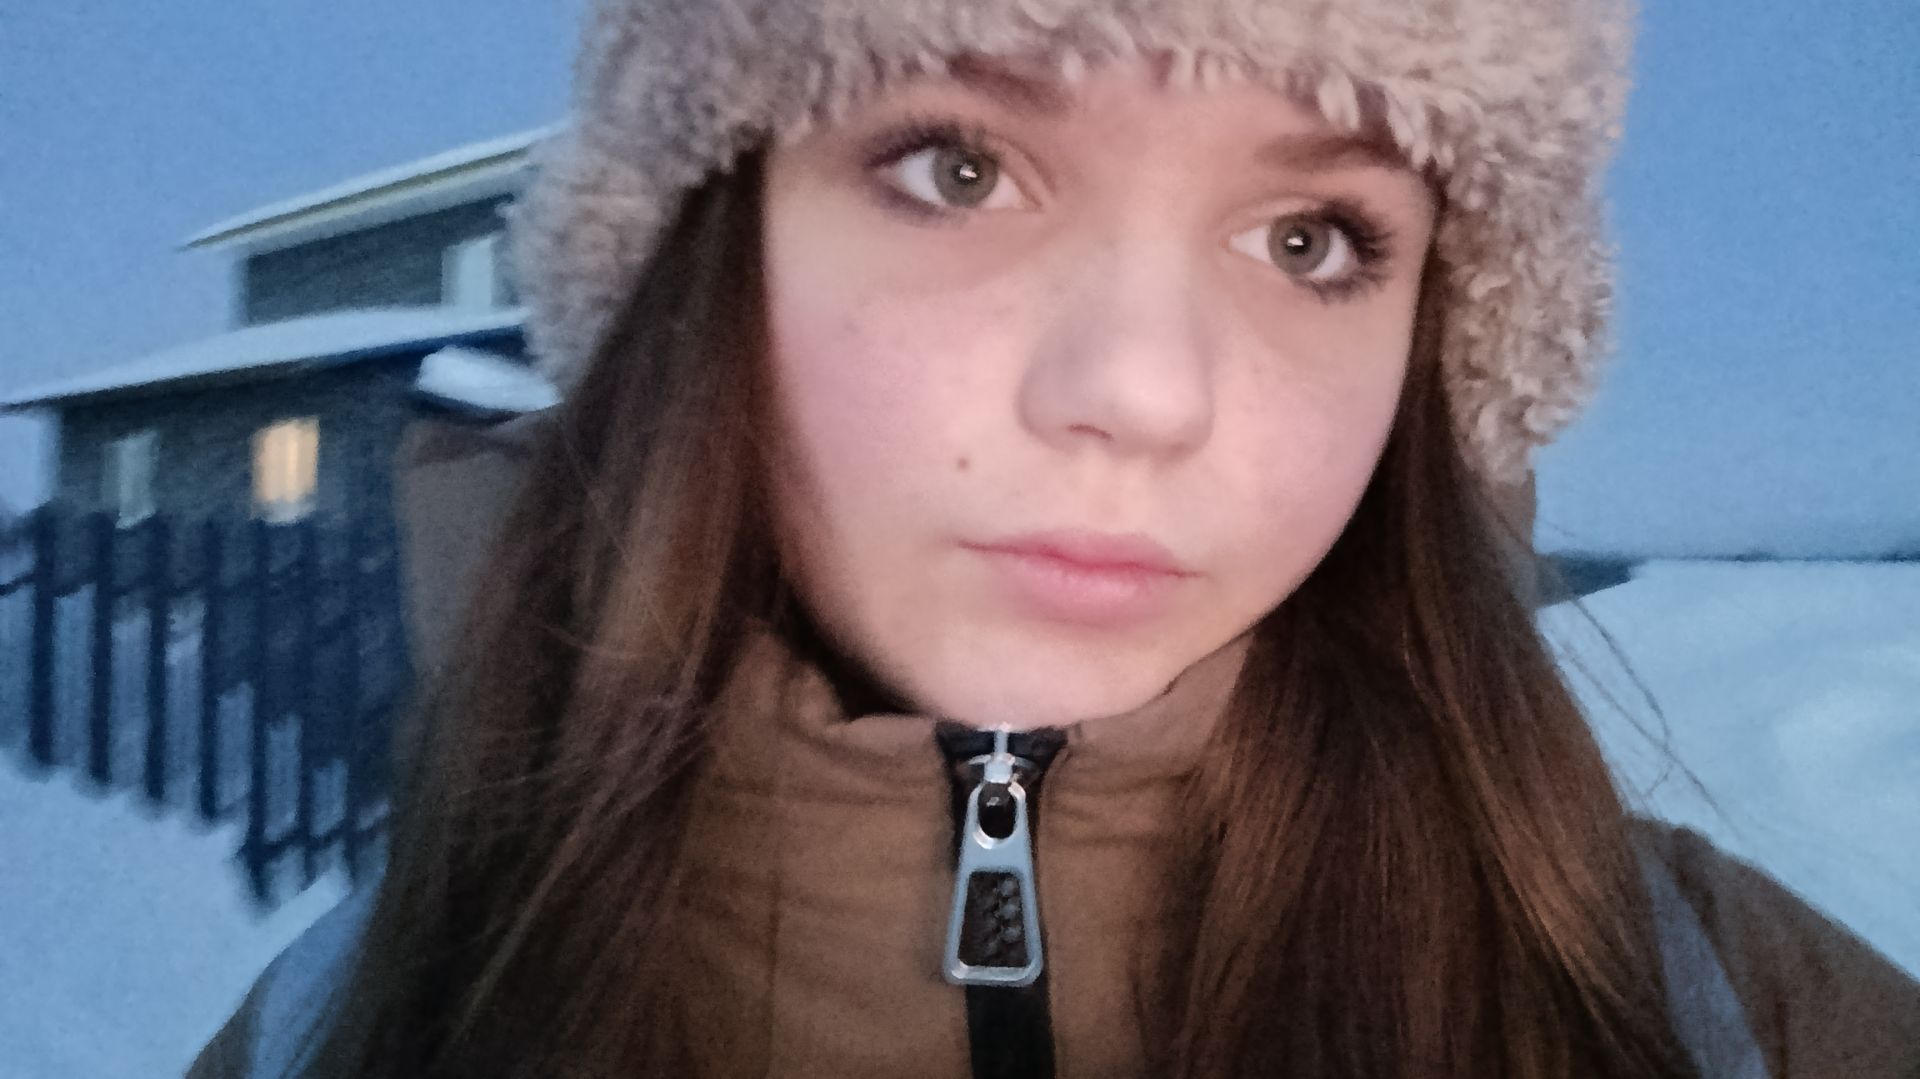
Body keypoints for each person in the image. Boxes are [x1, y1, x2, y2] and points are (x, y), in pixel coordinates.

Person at [188, 0, 1920, 1076]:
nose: (1144, 391)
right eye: (957, 167)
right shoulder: (340, 1036)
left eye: (1311, 238)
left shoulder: (1712, 1005)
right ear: (711, 253)